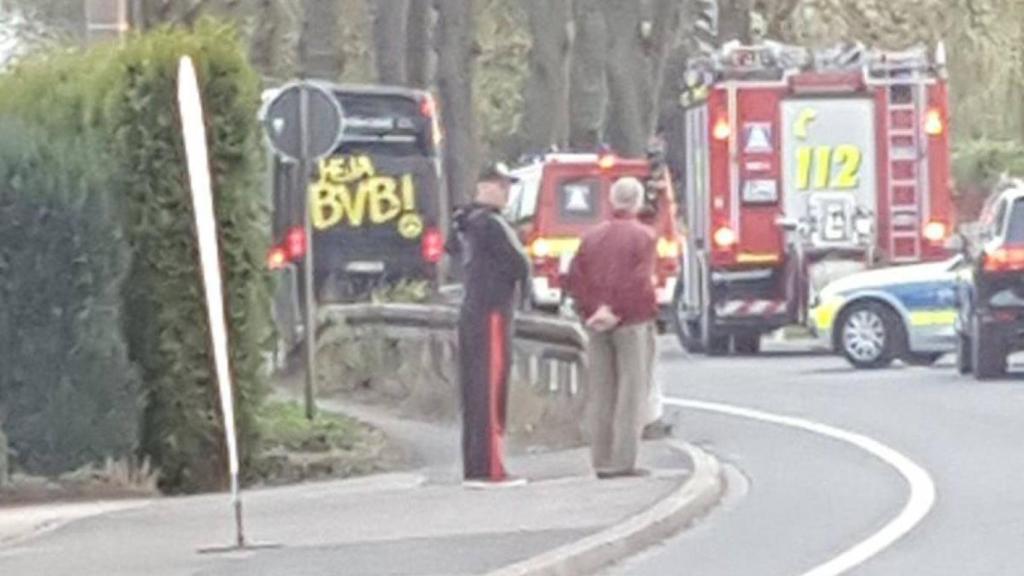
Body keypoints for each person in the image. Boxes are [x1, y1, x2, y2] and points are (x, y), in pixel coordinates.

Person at [567, 177, 659, 479]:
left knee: (601, 390)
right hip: (631, 321)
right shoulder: (644, 237)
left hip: (596, 323)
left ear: (612, 200)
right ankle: (623, 461)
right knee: (631, 391)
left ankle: (601, 459)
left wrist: (593, 310)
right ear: (637, 201)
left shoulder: (590, 237)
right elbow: (640, 281)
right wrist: (615, 310)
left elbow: (575, 278)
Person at [448, 163, 531, 488]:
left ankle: (475, 462)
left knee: (474, 390)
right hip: (493, 312)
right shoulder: (492, 225)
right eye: (502, 186)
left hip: (473, 310)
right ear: (485, 187)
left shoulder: (464, 223)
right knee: (490, 389)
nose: (507, 192)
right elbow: (518, 263)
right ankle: (490, 467)